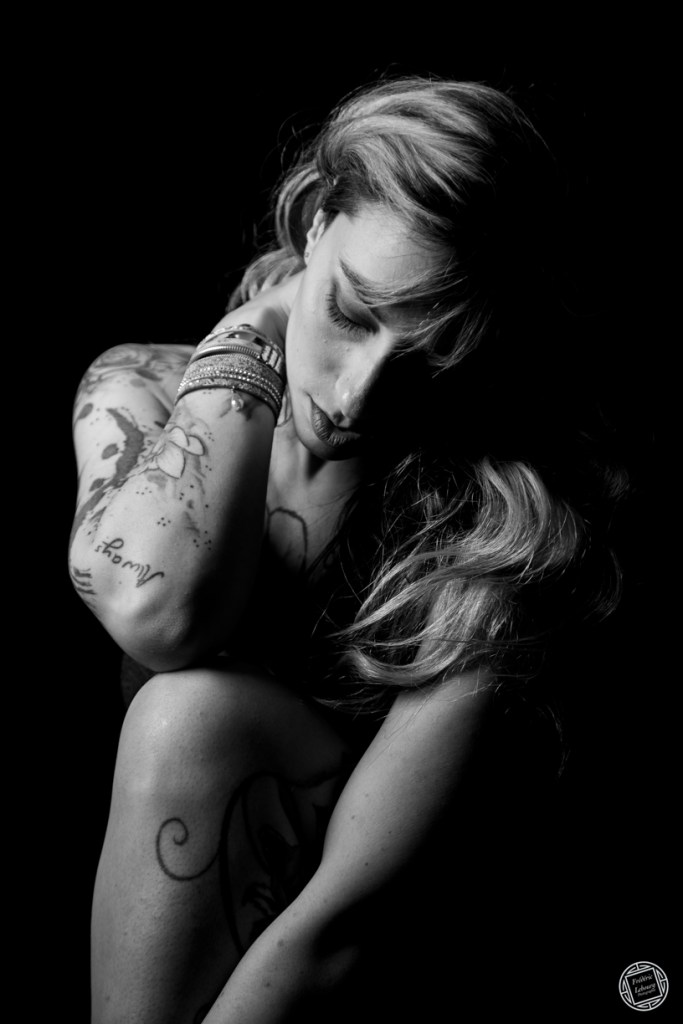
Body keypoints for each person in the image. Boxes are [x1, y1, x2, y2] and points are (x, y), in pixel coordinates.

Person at [69, 77, 623, 1022]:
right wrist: (253, 335)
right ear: (316, 224)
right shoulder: (146, 391)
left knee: (195, 719)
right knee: (190, 713)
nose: (357, 395)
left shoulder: (504, 534)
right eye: (354, 311)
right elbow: (159, 611)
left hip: (402, 970)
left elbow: (347, 925)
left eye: (430, 357)